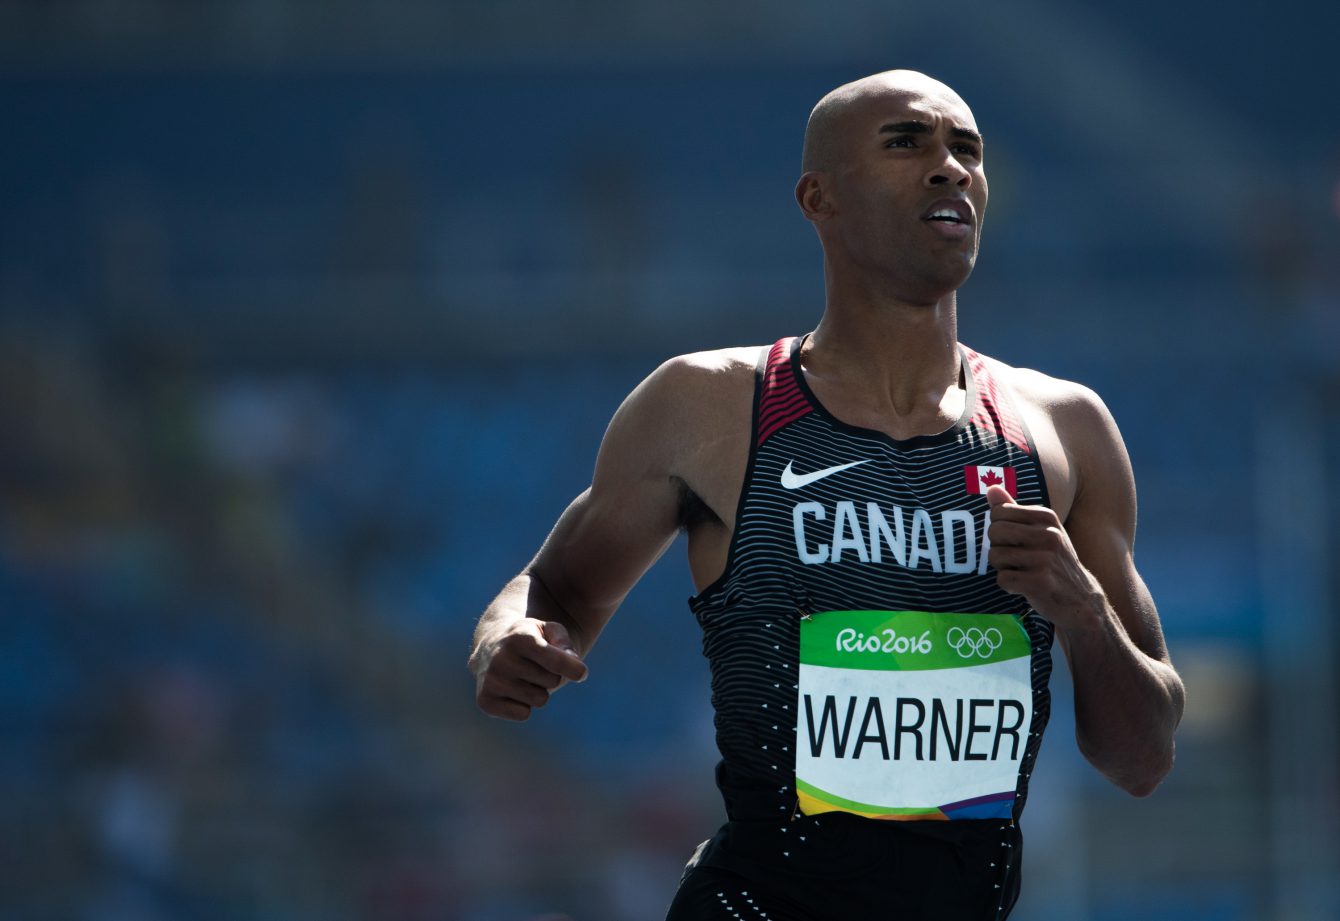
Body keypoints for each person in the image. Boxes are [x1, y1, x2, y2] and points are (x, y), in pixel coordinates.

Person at [467, 69, 1185, 920]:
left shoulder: (1065, 430)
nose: (950, 167)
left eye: (968, 149)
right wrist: (504, 639)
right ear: (819, 197)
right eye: (907, 142)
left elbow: (1140, 758)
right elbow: (553, 591)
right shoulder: (708, 406)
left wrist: (1081, 607)